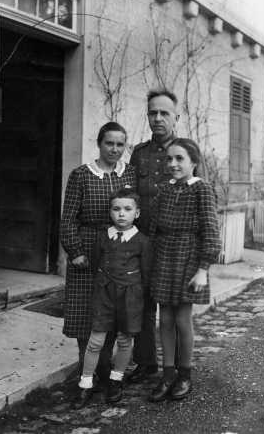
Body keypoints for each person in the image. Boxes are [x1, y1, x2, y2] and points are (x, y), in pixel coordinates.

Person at [129, 88, 208, 383]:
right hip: (143, 240)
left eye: (164, 113)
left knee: (173, 313)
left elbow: (204, 203)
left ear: (176, 116)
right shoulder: (139, 154)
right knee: (144, 303)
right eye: (153, 112)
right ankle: (146, 362)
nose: (158, 118)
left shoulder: (185, 152)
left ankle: (175, 369)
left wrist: (202, 262)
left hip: (177, 247)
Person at [60, 122, 136, 386]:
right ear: (99, 143)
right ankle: (86, 370)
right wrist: (75, 251)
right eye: (109, 143)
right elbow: (68, 218)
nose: (115, 149)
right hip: (88, 250)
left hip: (118, 251)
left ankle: (105, 368)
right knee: (86, 314)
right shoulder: (81, 175)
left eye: (120, 144)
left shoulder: (130, 174)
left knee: (112, 311)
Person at [148, 138, 221, 402]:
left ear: (194, 162)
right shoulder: (164, 189)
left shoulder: (201, 189)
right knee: (164, 320)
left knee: (181, 319)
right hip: (164, 257)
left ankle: (185, 373)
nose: (173, 164)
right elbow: (154, 227)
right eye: (169, 159)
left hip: (188, 258)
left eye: (179, 159)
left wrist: (203, 268)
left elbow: (211, 231)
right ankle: (167, 373)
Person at [73, 188, 151, 409]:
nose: (121, 214)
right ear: (110, 212)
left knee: (125, 340)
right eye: (116, 209)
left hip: (130, 296)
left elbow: (146, 274)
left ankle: (116, 381)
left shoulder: (143, 241)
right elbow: (98, 262)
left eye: (127, 209)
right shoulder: (102, 237)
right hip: (104, 294)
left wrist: (139, 299)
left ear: (137, 213)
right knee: (96, 340)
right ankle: (85, 383)